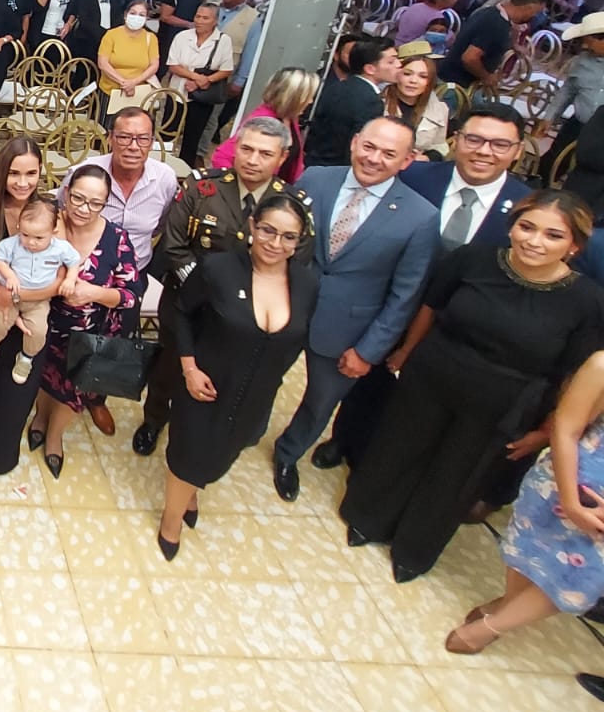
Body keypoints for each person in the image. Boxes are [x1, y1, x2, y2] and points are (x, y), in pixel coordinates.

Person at [342, 191, 604, 582]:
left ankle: (414, 549)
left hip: (505, 402)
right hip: (433, 374)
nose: (534, 241)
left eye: (553, 235)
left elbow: (573, 375)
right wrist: (406, 352)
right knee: (399, 446)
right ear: (512, 227)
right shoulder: (474, 259)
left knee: (458, 475)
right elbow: (431, 307)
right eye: (527, 227)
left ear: (574, 246)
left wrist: (546, 430)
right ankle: (368, 518)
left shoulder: (588, 301)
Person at [320, 103, 533, 475]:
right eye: (474, 139)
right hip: (392, 302)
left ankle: (387, 466)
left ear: (516, 151)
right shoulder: (415, 176)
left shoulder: (526, 208)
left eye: (500, 144)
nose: (484, 152)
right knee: (368, 383)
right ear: (456, 139)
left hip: (461, 325)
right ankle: (344, 439)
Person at [270, 117, 438, 502]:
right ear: (355, 142)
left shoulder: (421, 217)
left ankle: (288, 454)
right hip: (285, 307)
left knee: (320, 401)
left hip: (348, 329)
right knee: (262, 376)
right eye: (369, 146)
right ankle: (247, 430)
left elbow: (405, 295)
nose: (374, 158)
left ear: (407, 160)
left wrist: (369, 350)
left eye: (389, 154)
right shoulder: (315, 180)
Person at [157, 192, 319, 559]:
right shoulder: (218, 268)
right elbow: (182, 313)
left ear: (299, 241)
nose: (275, 243)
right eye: (268, 230)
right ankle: (171, 519)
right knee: (188, 455)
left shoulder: (307, 284)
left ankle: (192, 491)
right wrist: (189, 368)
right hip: (204, 384)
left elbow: (297, 337)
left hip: (254, 395)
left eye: (288, 237)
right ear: (252, 226)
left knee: (221, 454)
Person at [134, 117, 305, 456]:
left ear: (282, 157)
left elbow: (295, 263)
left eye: (265, 153)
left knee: (224, 379)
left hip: (246, 318)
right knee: (168, 370)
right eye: (247, 149)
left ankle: (201, 435)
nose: (253, 160)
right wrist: (207, 292)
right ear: (235, 148)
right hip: (186, 305)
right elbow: (175, 245)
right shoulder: (202, 188)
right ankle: (153, 420)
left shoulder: (291, 205)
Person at [451, 349, 604, 653]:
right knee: (530, 551)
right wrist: (571, 503)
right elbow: (566, 428)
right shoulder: (601, 365)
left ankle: (490, 627)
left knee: (578, 580)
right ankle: (507, 605)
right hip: (566, 479)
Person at [33, 165, 142, 470]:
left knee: (75, 391)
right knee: (42, 376)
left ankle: (55, 436)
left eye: (95, 203)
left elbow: (131, 294)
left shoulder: (116, 238)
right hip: (45, 325)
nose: (84, 209)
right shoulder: (49, 223)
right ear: (66, 192)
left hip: (90, 333)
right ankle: (40, 417)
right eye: (78, 199)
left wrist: (94, 293)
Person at [72, 106, 178, 278]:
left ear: (151, 142)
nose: (133, 146)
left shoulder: (165, 179)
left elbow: (161, 224)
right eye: (124, 137)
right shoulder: (83, 174)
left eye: (143, 139)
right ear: (110, 138)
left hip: (137, 270)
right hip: (81, 272)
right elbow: (63, 213)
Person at [0, 197, 78, 384]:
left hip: (39, 301)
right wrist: (9, 275)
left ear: (53, 232)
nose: (31, 242)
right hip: (9, 297)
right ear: (19, 227)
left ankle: (26, 358)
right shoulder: (11, 244)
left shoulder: (60, 248)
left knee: (38, 331)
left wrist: (70, 279)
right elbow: (0, 260)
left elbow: (74, 262)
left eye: (39, 238)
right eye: (25, 235)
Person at [303, 38, 401, 167]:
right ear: (370, 69)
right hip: (337, 168)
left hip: (313, 162)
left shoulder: (337, 87)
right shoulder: (370, 101)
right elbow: (356, 146)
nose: (399, 64)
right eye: (391, 61)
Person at [212, 66, 319, 184]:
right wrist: (244, 189)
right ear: (292, 98)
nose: (310, 101)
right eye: (307, 97)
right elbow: (221, 157)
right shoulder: (262, 119)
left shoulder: (289, 117)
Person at [165, 1, 234, 164]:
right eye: (197, 16)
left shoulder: (223, 41)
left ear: (215, 21)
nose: (199, 21)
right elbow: (173, 65)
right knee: (167, 133)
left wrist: (205, 80)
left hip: (202, 96)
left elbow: (226, 69)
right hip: (177, 92)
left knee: (192, 138)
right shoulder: (182, 37)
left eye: (205, 18)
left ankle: (184, 170)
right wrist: (195, 77)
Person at [438, 0, 545, 88]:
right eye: (535, 13)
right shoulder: (497, 25)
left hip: (451, 77)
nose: (533, 17)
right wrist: (487, 76)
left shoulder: (490, 12)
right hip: (457, 85)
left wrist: (514, 44)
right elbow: (469, 58)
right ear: (528, 8)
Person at [382, 42, 451, 157]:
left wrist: (427, 158)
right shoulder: (378, 103)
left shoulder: (440, 109)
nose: (413, 81)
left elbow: (440, 147)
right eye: (407, 74)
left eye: (423, 76)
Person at [97, 0, 160, 116]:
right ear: (126, 15)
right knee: (107, 125)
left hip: (138, 93)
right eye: (133, 13)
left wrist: (134, 82)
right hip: (111, 91)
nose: (137, 17)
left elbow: (154, 65)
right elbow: (102, 63)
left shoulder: (151, 38)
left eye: (141, 15)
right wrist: (124, 83)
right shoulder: (111, 35)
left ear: (146, 18)